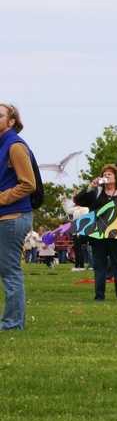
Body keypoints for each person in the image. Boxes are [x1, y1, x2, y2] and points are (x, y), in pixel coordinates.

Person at [73, 164, 117, 301]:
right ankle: (99, 296)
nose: (106, 177)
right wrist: (91, 187)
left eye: (109, 174)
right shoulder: (97, 193)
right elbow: (78, 200)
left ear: (116, 177)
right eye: (104, 175)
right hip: (98, 236)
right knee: (99, 266)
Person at [0, 102, 35, 331]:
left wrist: (1, 198)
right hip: (6, 217)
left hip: (12, 217)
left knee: (10, 270)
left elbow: (28, 184)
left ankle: (13, 324)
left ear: (11, 121)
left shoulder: (14, 146)